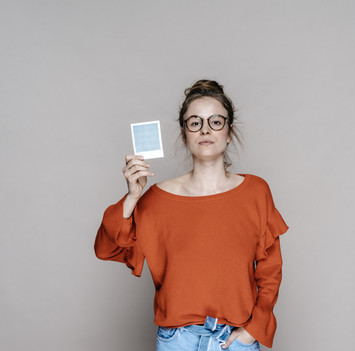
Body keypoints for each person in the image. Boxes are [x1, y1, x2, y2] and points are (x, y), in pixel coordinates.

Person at [94, 80, 289, 351]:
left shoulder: (256, 192)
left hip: (236, 340)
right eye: (195, 122)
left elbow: (270, 270)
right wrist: (131, 198)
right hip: (177, 341)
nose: (206, 129)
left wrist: (254, 329)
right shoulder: (155, 200)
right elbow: (106, 249)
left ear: (229, 132)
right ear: (185, 134)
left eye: (216, 121)